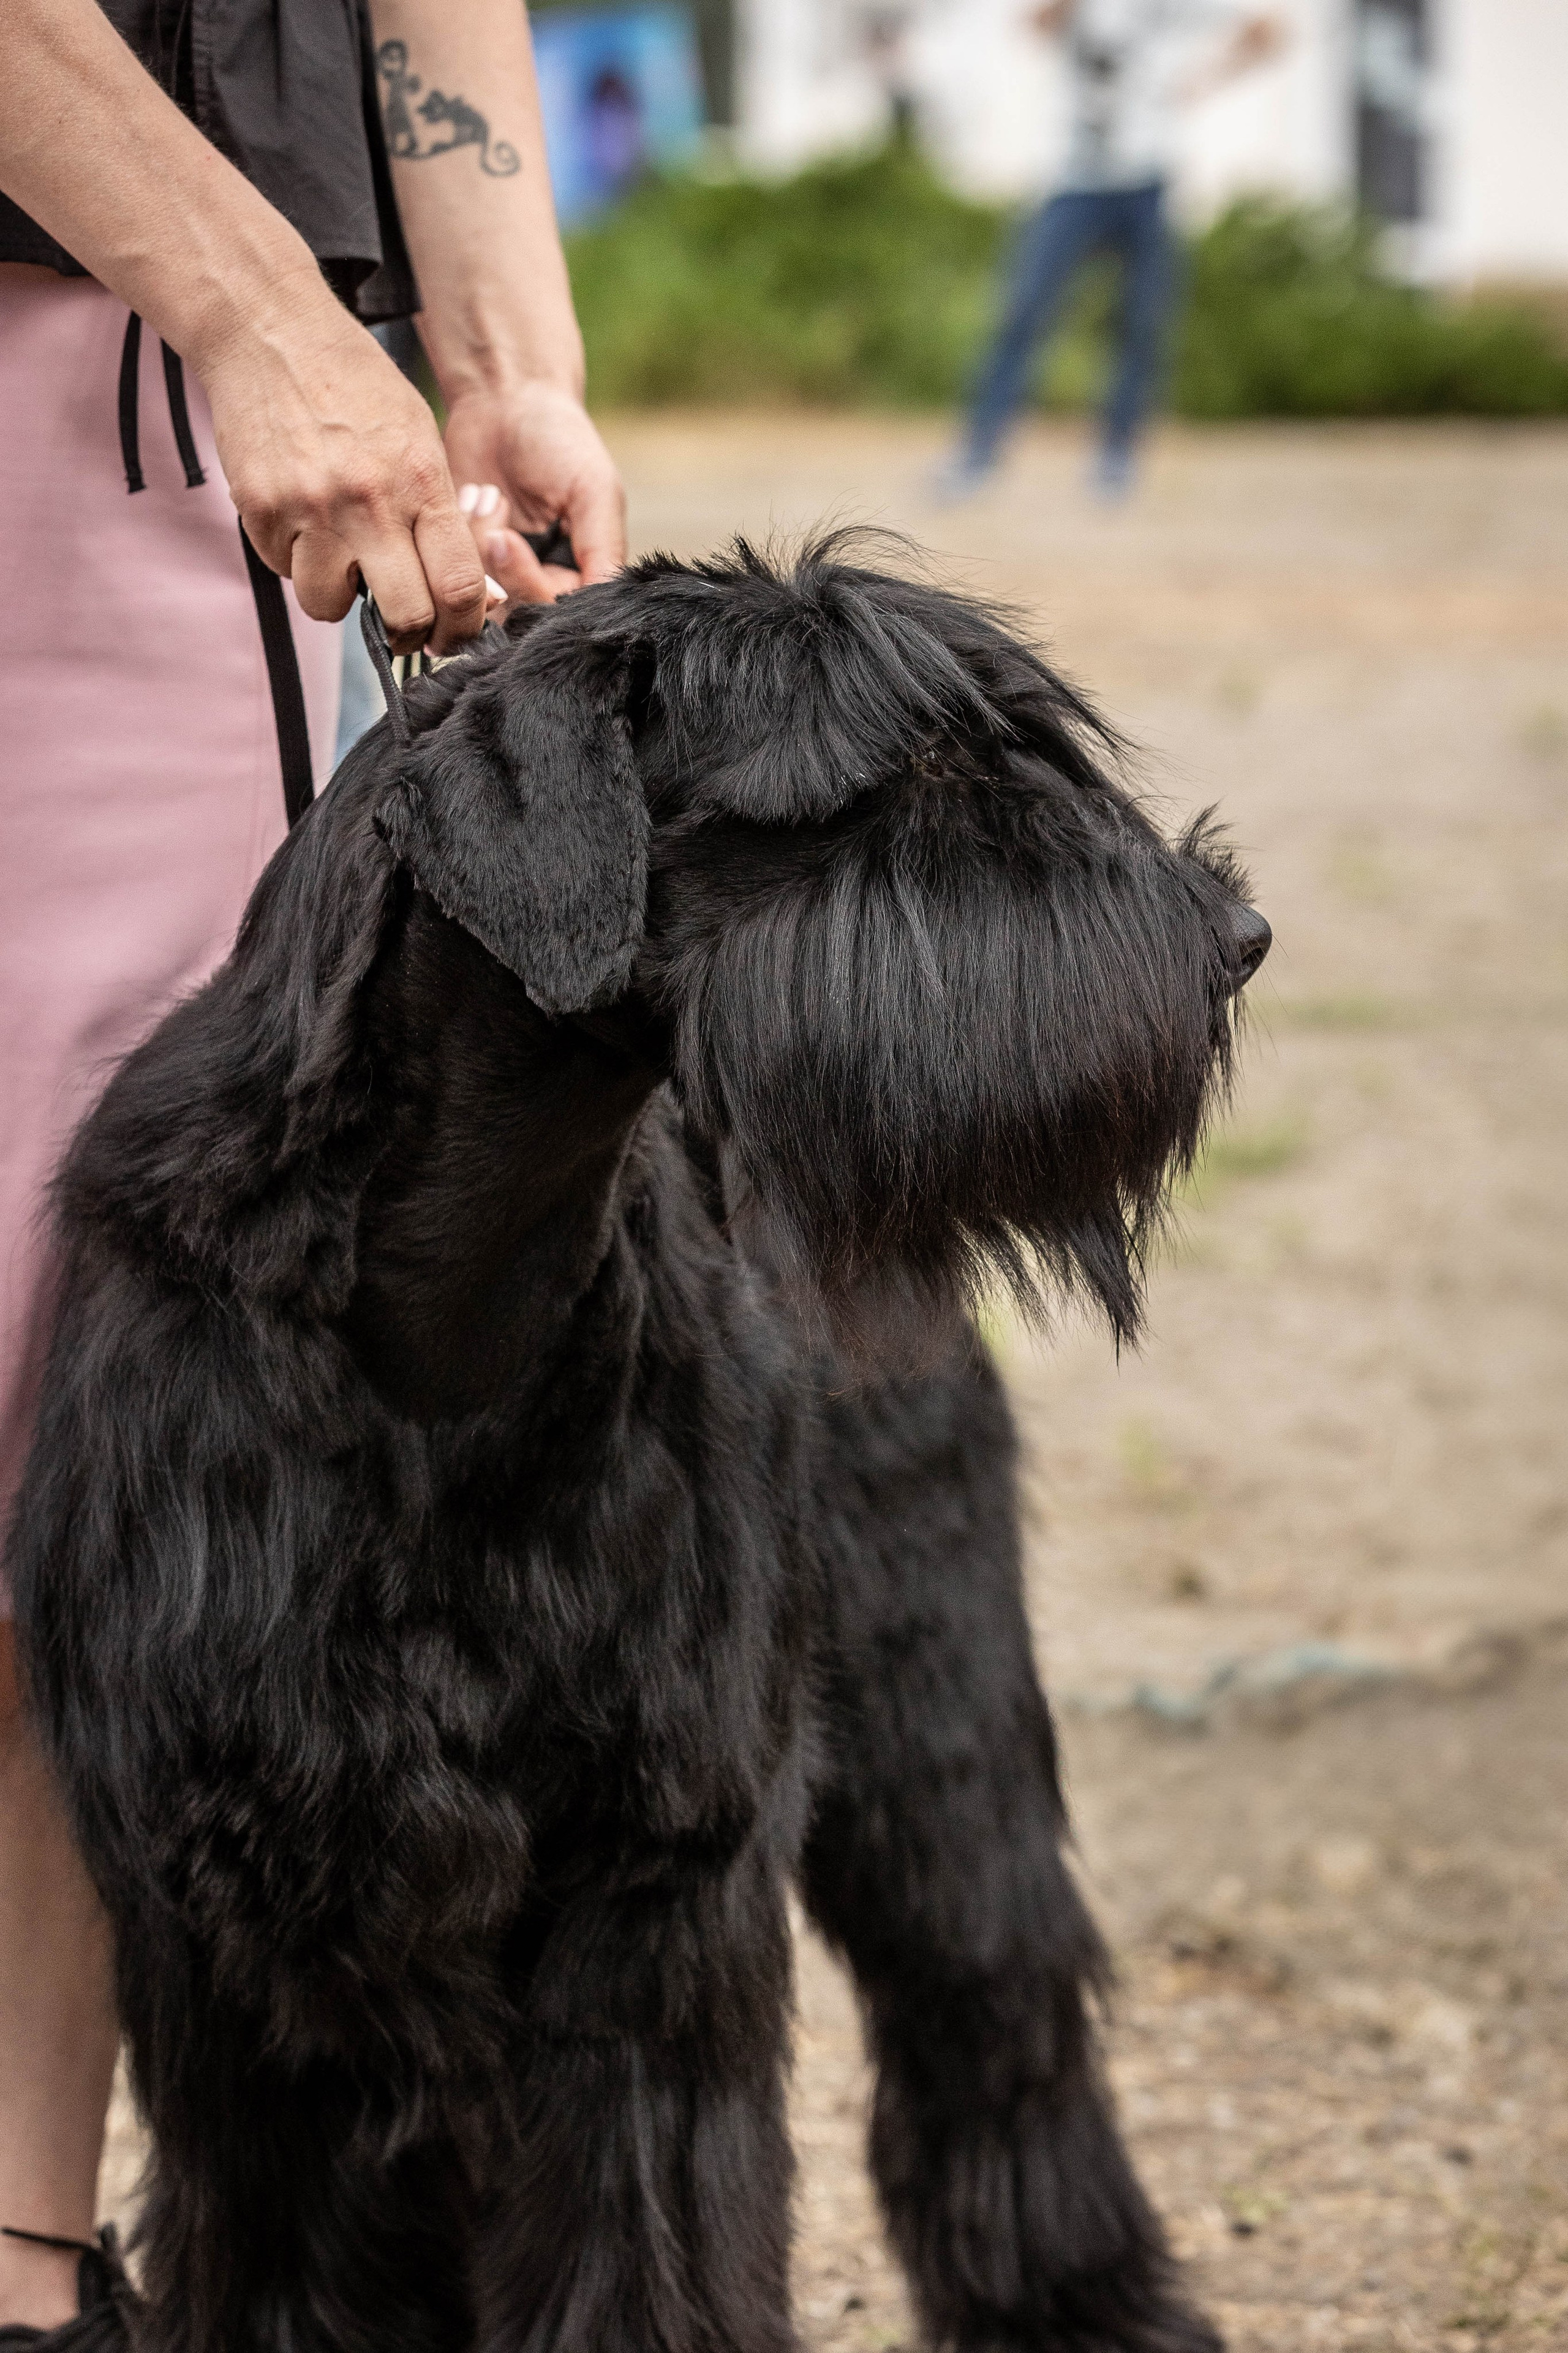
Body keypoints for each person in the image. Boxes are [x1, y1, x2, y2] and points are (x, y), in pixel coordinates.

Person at [0, 4, 624, 2340]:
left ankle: (21, 2253)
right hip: (116, 325)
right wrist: (256, 307)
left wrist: (497, 346)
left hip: (137, 368)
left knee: (80, 1397)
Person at [937, 0, 1287, 500]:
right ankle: (976, 456)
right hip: (1073, 182)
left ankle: (1116, 461)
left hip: (1147, 183)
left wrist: (1205, 81)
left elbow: (1269, 31)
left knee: (1140, 328)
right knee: (1022, 316)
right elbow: (1035, 25)